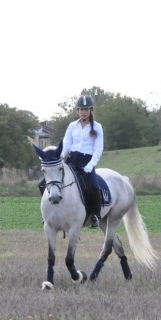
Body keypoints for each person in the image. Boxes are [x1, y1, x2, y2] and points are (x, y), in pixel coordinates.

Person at [61, 95, 104, 228]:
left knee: (94, 186)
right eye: (81, 109)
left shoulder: (97, 127)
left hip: (87, 161)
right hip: (72, 160)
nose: (83, 112)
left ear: (91, 110)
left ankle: (96, 215)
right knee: (53, 183)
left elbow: (98, 149)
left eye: (86, 109)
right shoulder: (72, 126)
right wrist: (60, 158)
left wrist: (91, 165)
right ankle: (51, 215)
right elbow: (66, 145)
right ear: (77, 111)